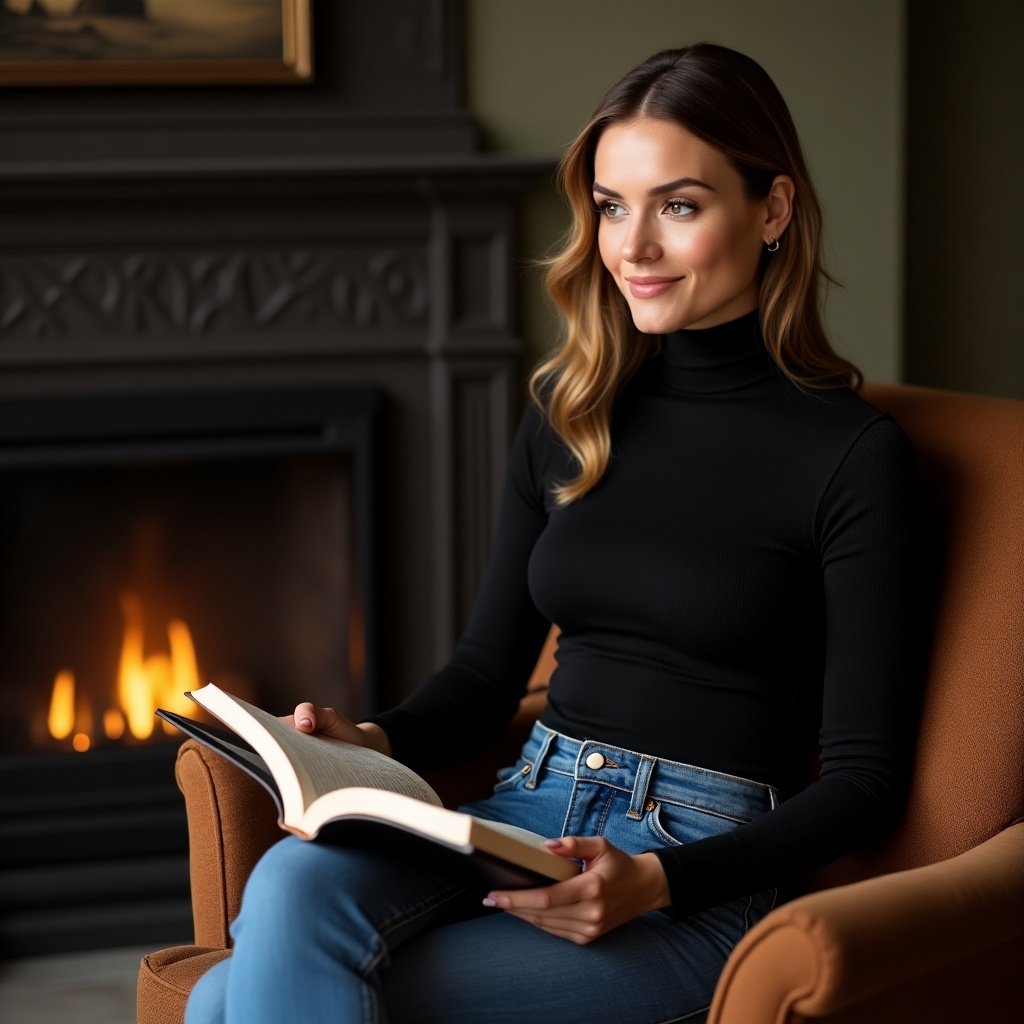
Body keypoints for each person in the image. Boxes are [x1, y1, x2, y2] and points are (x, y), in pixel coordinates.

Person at [186, 42, 921, 1024]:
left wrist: (656, 879)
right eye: (613, 206)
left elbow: (867, 784)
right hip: (519, 809)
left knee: (228, 994)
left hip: (693, 875)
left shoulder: (853, 456)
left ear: (773, 210)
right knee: (289, 883)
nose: (632, 247)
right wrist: (370, 738)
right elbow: (488, 674)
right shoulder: (571, 409)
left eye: (679, 205)